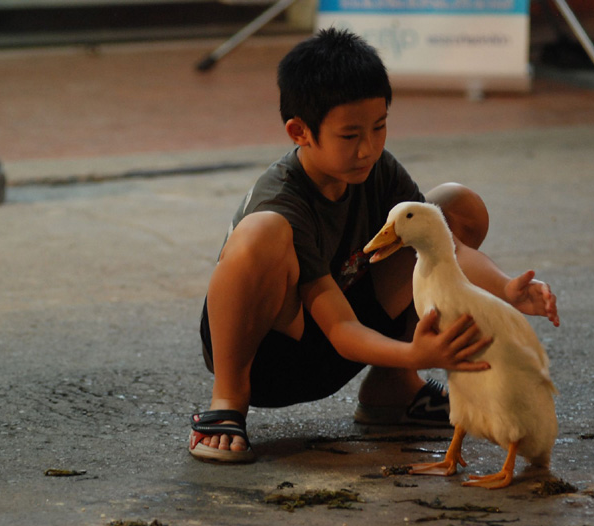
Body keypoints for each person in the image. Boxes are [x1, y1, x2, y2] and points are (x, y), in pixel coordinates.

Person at [189, 28, 560, 463]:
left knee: (451, 211)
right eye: (350, 136)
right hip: (272, 357)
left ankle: (394, 387)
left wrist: (506, 287)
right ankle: (226, 402)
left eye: (379, 127)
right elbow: (341, 329)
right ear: (299, 131)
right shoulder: (283, 198)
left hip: (342, 341)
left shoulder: (378, 170)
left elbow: (450, 251)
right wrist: (416, 349)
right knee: (261, 232)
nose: (368, 148)